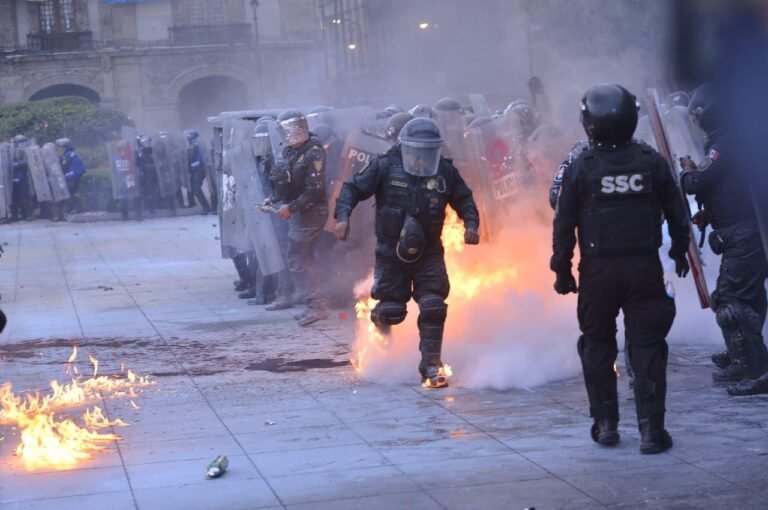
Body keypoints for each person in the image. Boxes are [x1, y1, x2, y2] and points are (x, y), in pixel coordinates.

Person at [551, 84, 690, 454]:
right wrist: (679, 251)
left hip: (597, 273)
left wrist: (561, 270)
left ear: (588, 122)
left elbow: (563, 224)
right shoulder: (650, 161)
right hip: (644, 269)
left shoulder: (581, 165)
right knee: (647, 347)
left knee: (597, 346)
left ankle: (606, 425)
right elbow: (679, 213)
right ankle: (651, 432)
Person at [333, 117, 480, 388]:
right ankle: (379, 318)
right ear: (405, 148)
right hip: (391, 254)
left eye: (428, 154)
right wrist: (342, 217)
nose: (422, 161)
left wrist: (471, 224)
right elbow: (352, 188)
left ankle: (431, 367)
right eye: (417, 154)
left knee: (433, 305)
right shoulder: (384, 166)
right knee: (393, 311)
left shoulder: (444, 172)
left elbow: (464, 198)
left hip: (430, 252)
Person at [679, 84, 768, 390]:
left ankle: (754, 371)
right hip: (742, 230)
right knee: (748, 297)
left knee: (732, 300)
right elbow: (726, 188)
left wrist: (687, 171)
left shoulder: (728, 144)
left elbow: (698, 181)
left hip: (745, 234)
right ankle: (747, 357)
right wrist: (711, 213)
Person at [261, 110, 330, 326]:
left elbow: (315, 190)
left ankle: (317, 305)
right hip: (301, 212)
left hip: (312, 212)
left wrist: (290, 208)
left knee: (299, 257)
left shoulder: (314, 153)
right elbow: (289, 184)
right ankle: (314, 303)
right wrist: (273, 199)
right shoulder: (291, 152)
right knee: (300, 258)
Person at [55, 138, 86, 214]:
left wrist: (64, 177)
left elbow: (75, 171)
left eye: (59, 148)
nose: (58, 151)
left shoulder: (70, 156)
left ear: (65, 148)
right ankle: (71, 207)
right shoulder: (66, 156)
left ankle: (77, 207)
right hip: (71, 176)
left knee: (69, 190)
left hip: (74, 177)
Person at [185, 130, 211, 215]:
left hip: (199, 170)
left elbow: (200, 160)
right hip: (194, 170)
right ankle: (206, 207)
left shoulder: (198, 147)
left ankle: (206, 207)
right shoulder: (192, 147)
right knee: (195, 189)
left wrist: (191, 166)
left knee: (196, 189)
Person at [10, 135, 31, 222]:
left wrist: (17, 165)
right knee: (14, 199)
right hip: (13, 179)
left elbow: (25, 163)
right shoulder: (12, 151)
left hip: (22, 179)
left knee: (23, 198)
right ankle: (15, 216)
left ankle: (27, 215)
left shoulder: (26, 151)